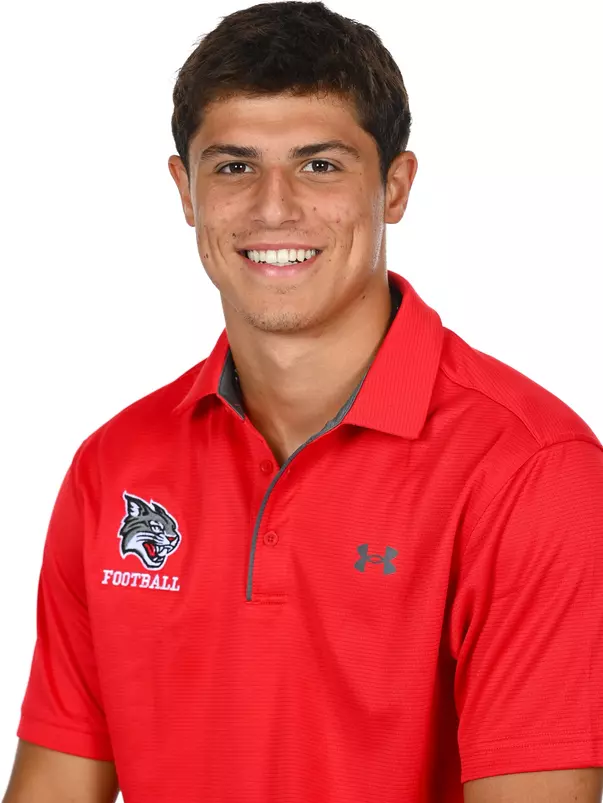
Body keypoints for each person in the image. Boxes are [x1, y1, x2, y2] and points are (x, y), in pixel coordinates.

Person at [3, 2, 603, 801]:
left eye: (319, 165)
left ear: (394, 186)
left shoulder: (531, 471)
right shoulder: (114, 464)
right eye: (233, 166)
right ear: (184, 191)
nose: (273, 207)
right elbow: (54, 784)